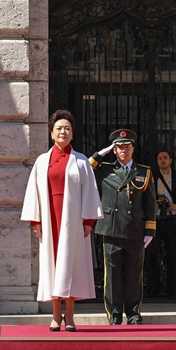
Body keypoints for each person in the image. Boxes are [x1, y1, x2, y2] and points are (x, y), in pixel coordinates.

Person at [22, 110, 102, 332]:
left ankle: (70, 315)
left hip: (74, 220)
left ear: (72, 134)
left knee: (72, 265)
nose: (63, 131)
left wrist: (89, 221)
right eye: (59, 128)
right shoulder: (41, 161)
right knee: (52, 266)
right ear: (51, 133)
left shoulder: (82, 161)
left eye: (67, 128)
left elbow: (90, 192)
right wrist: (35, 221)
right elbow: (33, 192)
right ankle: (55, 315)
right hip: (50, 219)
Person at [89, 128, 156, 325]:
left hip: (135, 229)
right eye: (119, 148)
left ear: (133, 149)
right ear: (114, 150)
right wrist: (101, 153)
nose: (123, 151)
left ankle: (134, 313)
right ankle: (115, 314)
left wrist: (150, 230)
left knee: (135, 275)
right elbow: (84, 168)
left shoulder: (143, 172)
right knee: (113, 276)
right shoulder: (105, 170)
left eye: (127, 147)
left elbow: (150, 204)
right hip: (110, 228)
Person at [147, 149, 176, 299]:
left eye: (165, 158)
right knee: (152, 254)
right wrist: (153, 204)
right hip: (155, 220)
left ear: (170, 161)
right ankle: (154, 287)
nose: (162, 160)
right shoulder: (152, 177)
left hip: (172, 219)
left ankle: (172, 289)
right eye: (159, 158)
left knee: (172, 255)